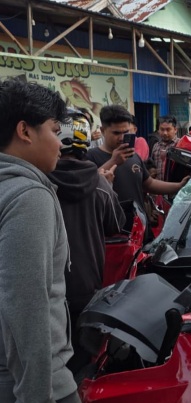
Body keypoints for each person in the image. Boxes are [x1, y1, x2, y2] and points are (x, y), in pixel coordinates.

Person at [0, 79, 99, 403]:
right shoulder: (28, 195)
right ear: (25, 131)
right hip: (33, 388)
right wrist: (37, 399)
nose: (61, 142)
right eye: (54, 129)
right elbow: (26, 301)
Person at [48, 109, 124, 374]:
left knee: (51, 362)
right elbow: (116, 226)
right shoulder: (100, 185)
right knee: (82, 361)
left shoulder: (39, 183)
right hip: (88, 288)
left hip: (48, 292)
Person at [85, 105, 188, 236]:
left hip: (140, 232)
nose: (122, 138)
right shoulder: (91, 157)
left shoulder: (133, 156)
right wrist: (113, 161)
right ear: (103, 130)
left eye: (126, 132)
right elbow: (87, 187)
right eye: (116, 133)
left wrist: (179, 186)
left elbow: (148, 183)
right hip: (112, 237)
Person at [149, 115, 179, 180]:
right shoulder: (156, 146)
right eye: (162, 129)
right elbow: (152, 164)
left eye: (168, 129)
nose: (165, 133)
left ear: (175, 130)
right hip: (158, 187)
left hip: (175, 187)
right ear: (158, 130)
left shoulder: (180, 145)